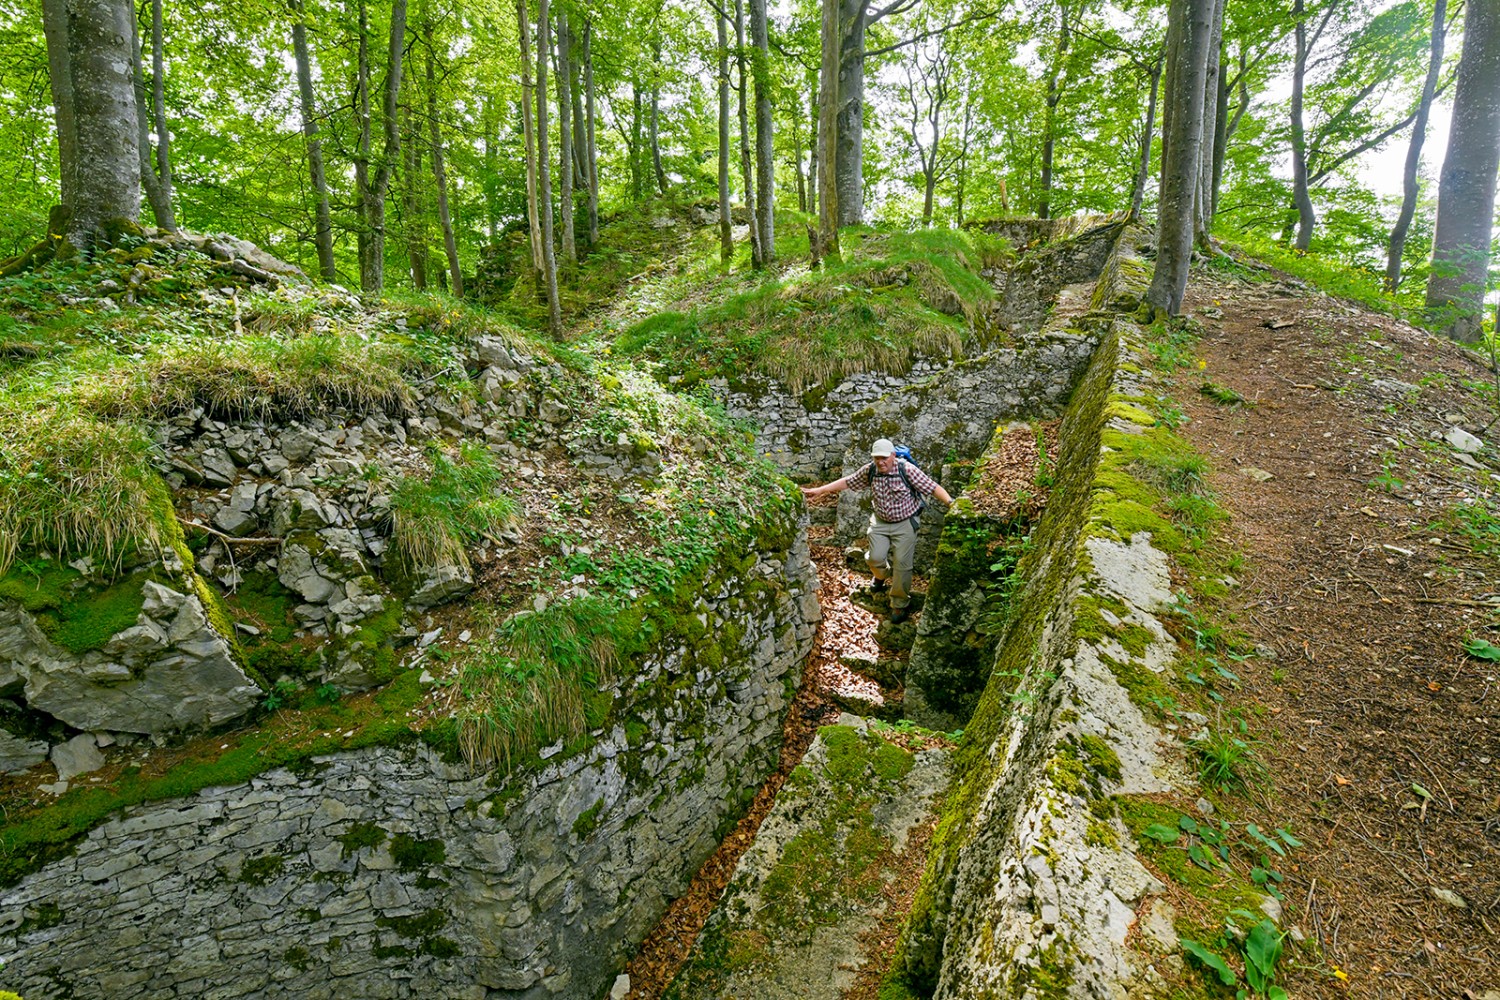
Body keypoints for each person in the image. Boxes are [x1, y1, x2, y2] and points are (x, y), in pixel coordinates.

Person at [801, 438, 953, 624]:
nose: (880, 462)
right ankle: (881, 576)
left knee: (903, 565)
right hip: (880, 522)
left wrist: (950, 503)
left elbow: (932, 487)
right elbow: (848, 482)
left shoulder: (907, 470)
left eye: (884, 458)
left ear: (893, 456)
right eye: (877, 458)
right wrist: (819, 490)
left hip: (905, 523)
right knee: (874, 558)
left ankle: (899, 603)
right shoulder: (870, 470)